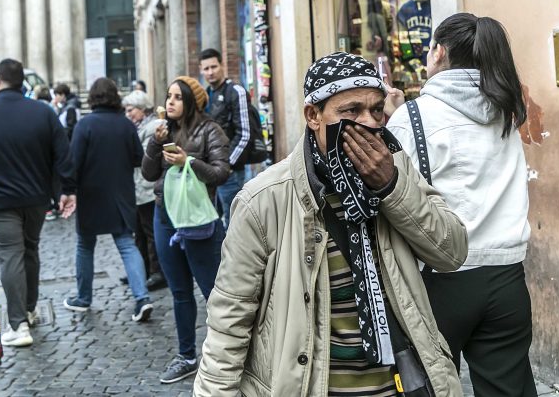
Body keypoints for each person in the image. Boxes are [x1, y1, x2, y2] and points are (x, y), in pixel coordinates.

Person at [194, 52, 468, 397]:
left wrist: (391, 187)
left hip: (396, 385)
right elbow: (229, 319)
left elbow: (451, 251)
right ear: (313, 115)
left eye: (376, 110)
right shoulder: (264, 200)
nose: (368, 122)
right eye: (351, 111)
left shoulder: (396, 168)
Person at [386, 13, 534, 396]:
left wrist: (395, 119)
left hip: (441, 279)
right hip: (507, 277)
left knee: (429, 387)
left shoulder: (414, 117)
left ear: (438, 52)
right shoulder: (506, 108)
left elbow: (396, 195)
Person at [0, 58, 76, 349]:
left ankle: (18, 323)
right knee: (30, 249)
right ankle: (29, 310)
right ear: (22, 81)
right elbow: (64, 155)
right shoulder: (43, 113)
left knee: (10, 256)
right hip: (35, 199)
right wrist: (67, 189)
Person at [142, 76, 230, 384]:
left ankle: (229, 354)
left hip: (197, 218)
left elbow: (221, 173)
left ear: (191, 101)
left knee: (213, 292)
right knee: (179, 291)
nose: (170, 102)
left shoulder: (210, 130)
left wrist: (188, 160)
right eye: (168, 96)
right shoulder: (164, 131)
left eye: (177, 97)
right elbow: (148, 173)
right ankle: (187, 355)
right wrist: (155, 142)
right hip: (164, 216)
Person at [64, 78, 153, 321]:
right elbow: (138, 158)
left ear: (92, 98)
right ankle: (142, 297)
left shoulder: (85, 125)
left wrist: (69, 190)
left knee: (85, 245)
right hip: (120, 193)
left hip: (91, 194)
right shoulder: (125, 125)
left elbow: (74, 163)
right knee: (126, 244)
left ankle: (83, 298)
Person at [199, 48, 259, 228]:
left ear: (222, 65)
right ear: (201, 70)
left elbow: (245, 133)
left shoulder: (236, 91)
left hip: (230, 172)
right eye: (206, 68)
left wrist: (227, 164)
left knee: (234, 225)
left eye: (213, 67)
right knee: (213, 223)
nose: (210, 72)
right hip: (210, 172)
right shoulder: (205, 95)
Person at [122, 90, 166, 290]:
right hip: (138, 188)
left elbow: (144, 156)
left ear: (142, 109)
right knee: (139, 232)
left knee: (150, 232)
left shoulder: (153, 126)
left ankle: (158, 272)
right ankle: (141, 270)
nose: (128, 114)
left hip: (148, 188)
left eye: (131, 110)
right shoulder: (139, 126)